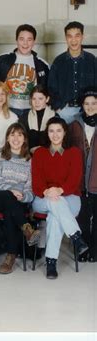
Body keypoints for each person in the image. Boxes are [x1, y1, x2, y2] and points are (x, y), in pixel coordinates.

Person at [31, 117, 87, 279]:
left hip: (70, 198)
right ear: (47, 133)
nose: (55, 135)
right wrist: (48, 191)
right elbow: (36, 182)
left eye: (58, 130)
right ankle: (76, 236)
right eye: (51, 131)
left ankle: (51, 262)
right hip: (43, 198)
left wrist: (60, 190)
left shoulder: (74, 153)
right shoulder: (40, 153)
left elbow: (75, 179)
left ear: (65, 132)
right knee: (56, 203)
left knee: (55, 217)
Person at [0, 122, 40, 274]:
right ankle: (26, 228)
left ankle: (10, 257)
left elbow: (30, 187)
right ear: (7, 138)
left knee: (10, 211)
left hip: (17, 201)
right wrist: (11, 191)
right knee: (9, 199)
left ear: (24, 139)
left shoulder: (29, 160)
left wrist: (23, 196)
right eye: (12, 134)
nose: (16, 138)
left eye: (19, 134)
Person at [0, 24, 49, 119]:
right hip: (7, 109)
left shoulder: (42, 64)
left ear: (34, 42)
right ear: (16, 40)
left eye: (29, 40)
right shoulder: (2, 60)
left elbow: (47, 90)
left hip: (31, 111)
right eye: (22, 39)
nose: (25, 43)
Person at [68, 90, 97, 261]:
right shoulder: (75, 125)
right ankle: (83, 249)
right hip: (80, 180)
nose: (90, 107)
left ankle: (95, 250)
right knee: (83, 217)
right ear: (82, 105)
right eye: (87, 104)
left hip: (95, 179)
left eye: (94, 103)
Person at [48, 21, 97, 124]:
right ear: (66, 38)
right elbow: (51, 88)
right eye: (70, 36)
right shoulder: (58, 62)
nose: (73, 40)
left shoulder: (92, 60)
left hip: (87, 110)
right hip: (64, 111)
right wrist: (58, 107)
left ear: (82, 37)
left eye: (77, 36)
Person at [23, 84, 55, 153]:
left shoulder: (55, 116)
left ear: (47, 99)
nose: (37, 102)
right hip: (28, 156)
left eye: (40, 99)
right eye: (34, 99)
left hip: (50, 154)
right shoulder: (24, 117)